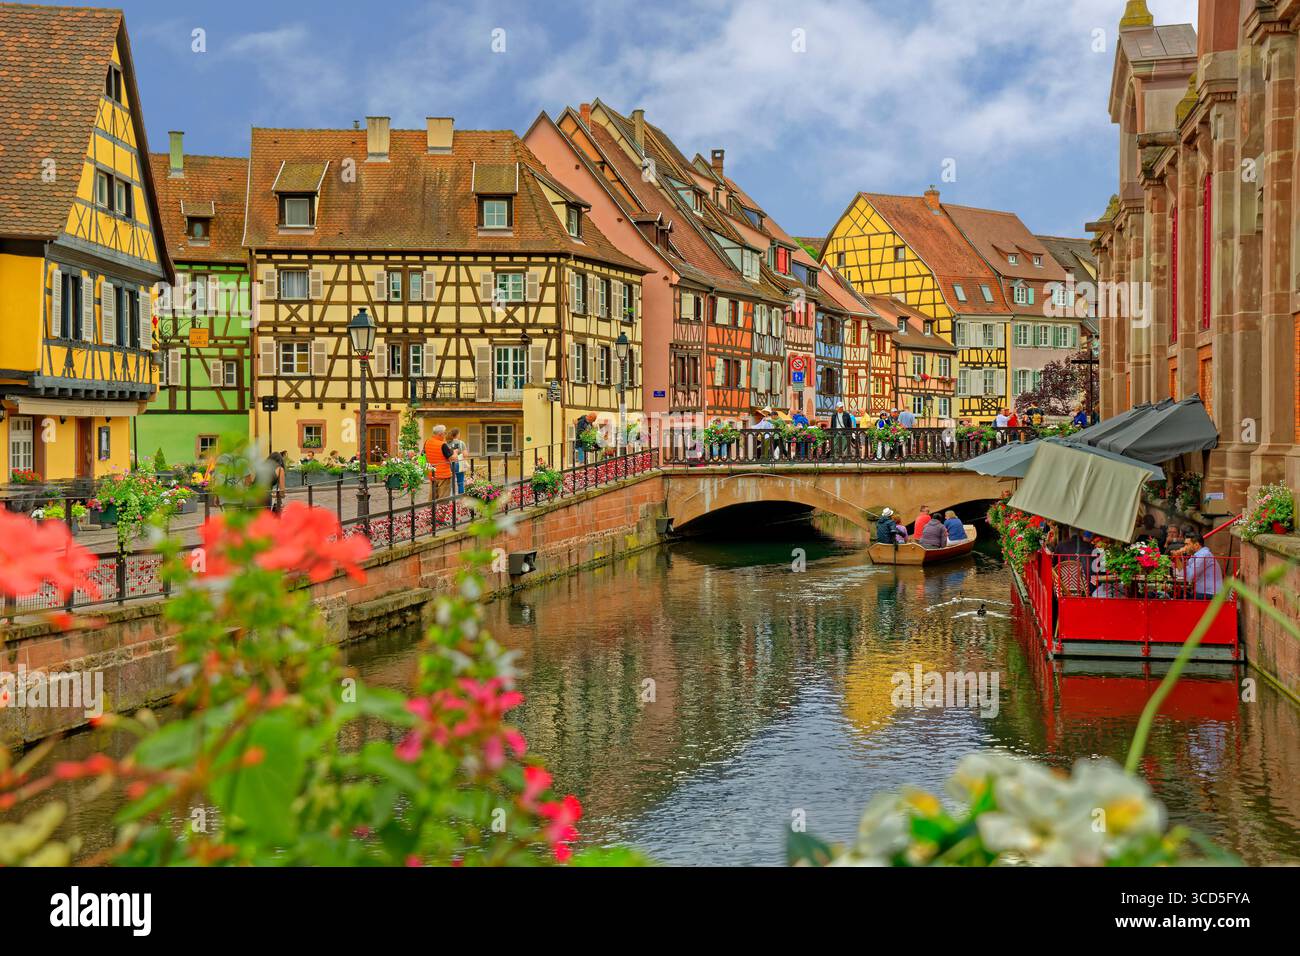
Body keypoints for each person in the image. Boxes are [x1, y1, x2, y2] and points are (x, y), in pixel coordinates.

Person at [1179, 531, 1223, 598]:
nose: (1185, 547)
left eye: (1187, 544)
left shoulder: (1204, 555)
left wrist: (1180, 558)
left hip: (1210, 594)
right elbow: (1183, 574)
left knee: (1180, 597)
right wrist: (1180, 558)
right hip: (1203, 592)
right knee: (1180, 594)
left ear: (1196, 545)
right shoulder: (1195, 555)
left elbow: (1189, 577)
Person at [423, 424, 453, 500]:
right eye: (445, 433)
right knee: (443, 498)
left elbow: (423, 456)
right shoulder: (442, 444)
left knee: (432, 497)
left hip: (432, 473)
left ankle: (430, 511)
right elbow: (452, 458)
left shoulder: (427, 442)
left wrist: (426, 470)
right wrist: (455, 452)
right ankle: (442, 512)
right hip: (444, 474)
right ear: (440, 434)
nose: (445, 435)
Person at [446, 427, 467, 495]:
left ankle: (452, 499)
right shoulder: (461, 443)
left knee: (451, 483)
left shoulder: (447, 443)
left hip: (449, 464)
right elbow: (465, 454)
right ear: (457, 434)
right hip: (458, 464)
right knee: (460, 482)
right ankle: (461, 499)